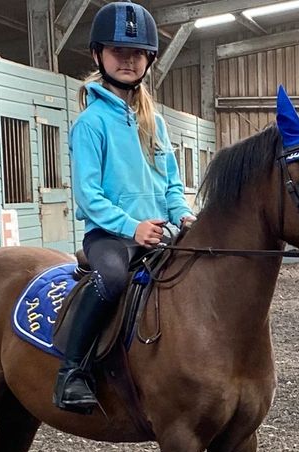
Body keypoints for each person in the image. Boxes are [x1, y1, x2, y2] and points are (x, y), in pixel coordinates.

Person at [55, 1, 195, 414]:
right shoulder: (91, 123)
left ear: (149, 59)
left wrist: (182, 214)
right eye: (119, 52)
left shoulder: (157, 122)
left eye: (136, 54)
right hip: (111, 235)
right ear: (99, 56)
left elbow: (170, 181)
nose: (128, 60)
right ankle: (71, 372)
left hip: (158, 231)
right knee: (112, 279)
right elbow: (88, 195)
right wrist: (132, 227)